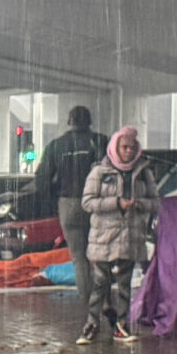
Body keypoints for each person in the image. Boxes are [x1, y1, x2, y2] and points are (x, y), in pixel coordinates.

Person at [77, 125, 156, 343]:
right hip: (103, 238)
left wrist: (139, 204)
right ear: (115, 147)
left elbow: (156, 202)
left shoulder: (143, 173)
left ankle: (121, 325)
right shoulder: (99, 172)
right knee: (99, 284)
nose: (128, 151)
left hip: (130, 237)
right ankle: (91, 325)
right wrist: (116, 203)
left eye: (132, 147)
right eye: (124, 147)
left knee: (124, 285)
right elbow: (87, 202)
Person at [36, 105, 105, 316]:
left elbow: (42, 178)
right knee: (102, 254)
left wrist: (54, 200)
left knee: (79, 257)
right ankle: (106, 301)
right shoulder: (100, 141)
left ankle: (88, 303)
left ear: (69, 122)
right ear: (89, 121)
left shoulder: (56, 146)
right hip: (97, 204)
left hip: (68, 203)